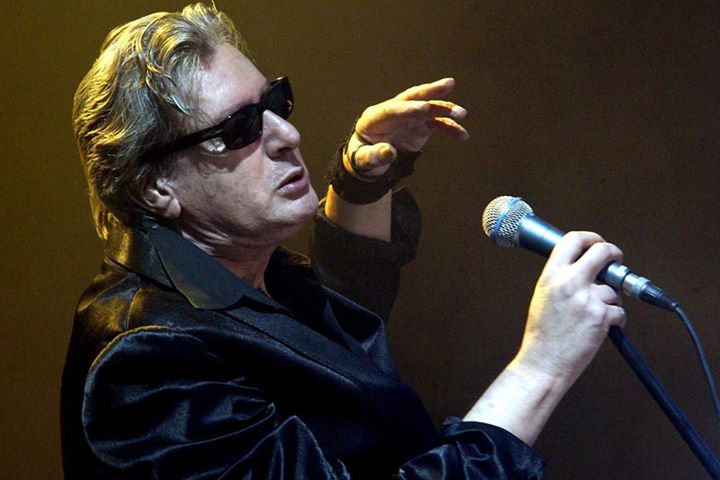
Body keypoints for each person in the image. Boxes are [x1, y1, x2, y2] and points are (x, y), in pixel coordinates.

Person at [61, 3, 626, 479]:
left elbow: (336, 324)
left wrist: (361, 180)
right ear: (156, 187)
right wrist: (540, 368)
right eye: (239, 129)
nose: (287, 134)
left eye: (274, 104)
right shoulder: (144, 363)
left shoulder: (236, 271)